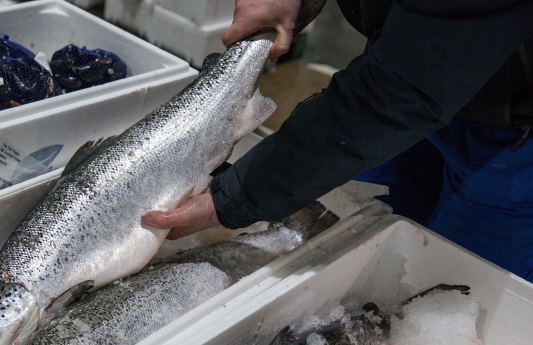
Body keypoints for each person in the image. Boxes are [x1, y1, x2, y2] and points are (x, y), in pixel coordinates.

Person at [142, 0, 533, 280]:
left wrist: (231, 198)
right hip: (412, 62)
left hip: (514, 137)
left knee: (449, 292)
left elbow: (396, 98)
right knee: (359, 244)